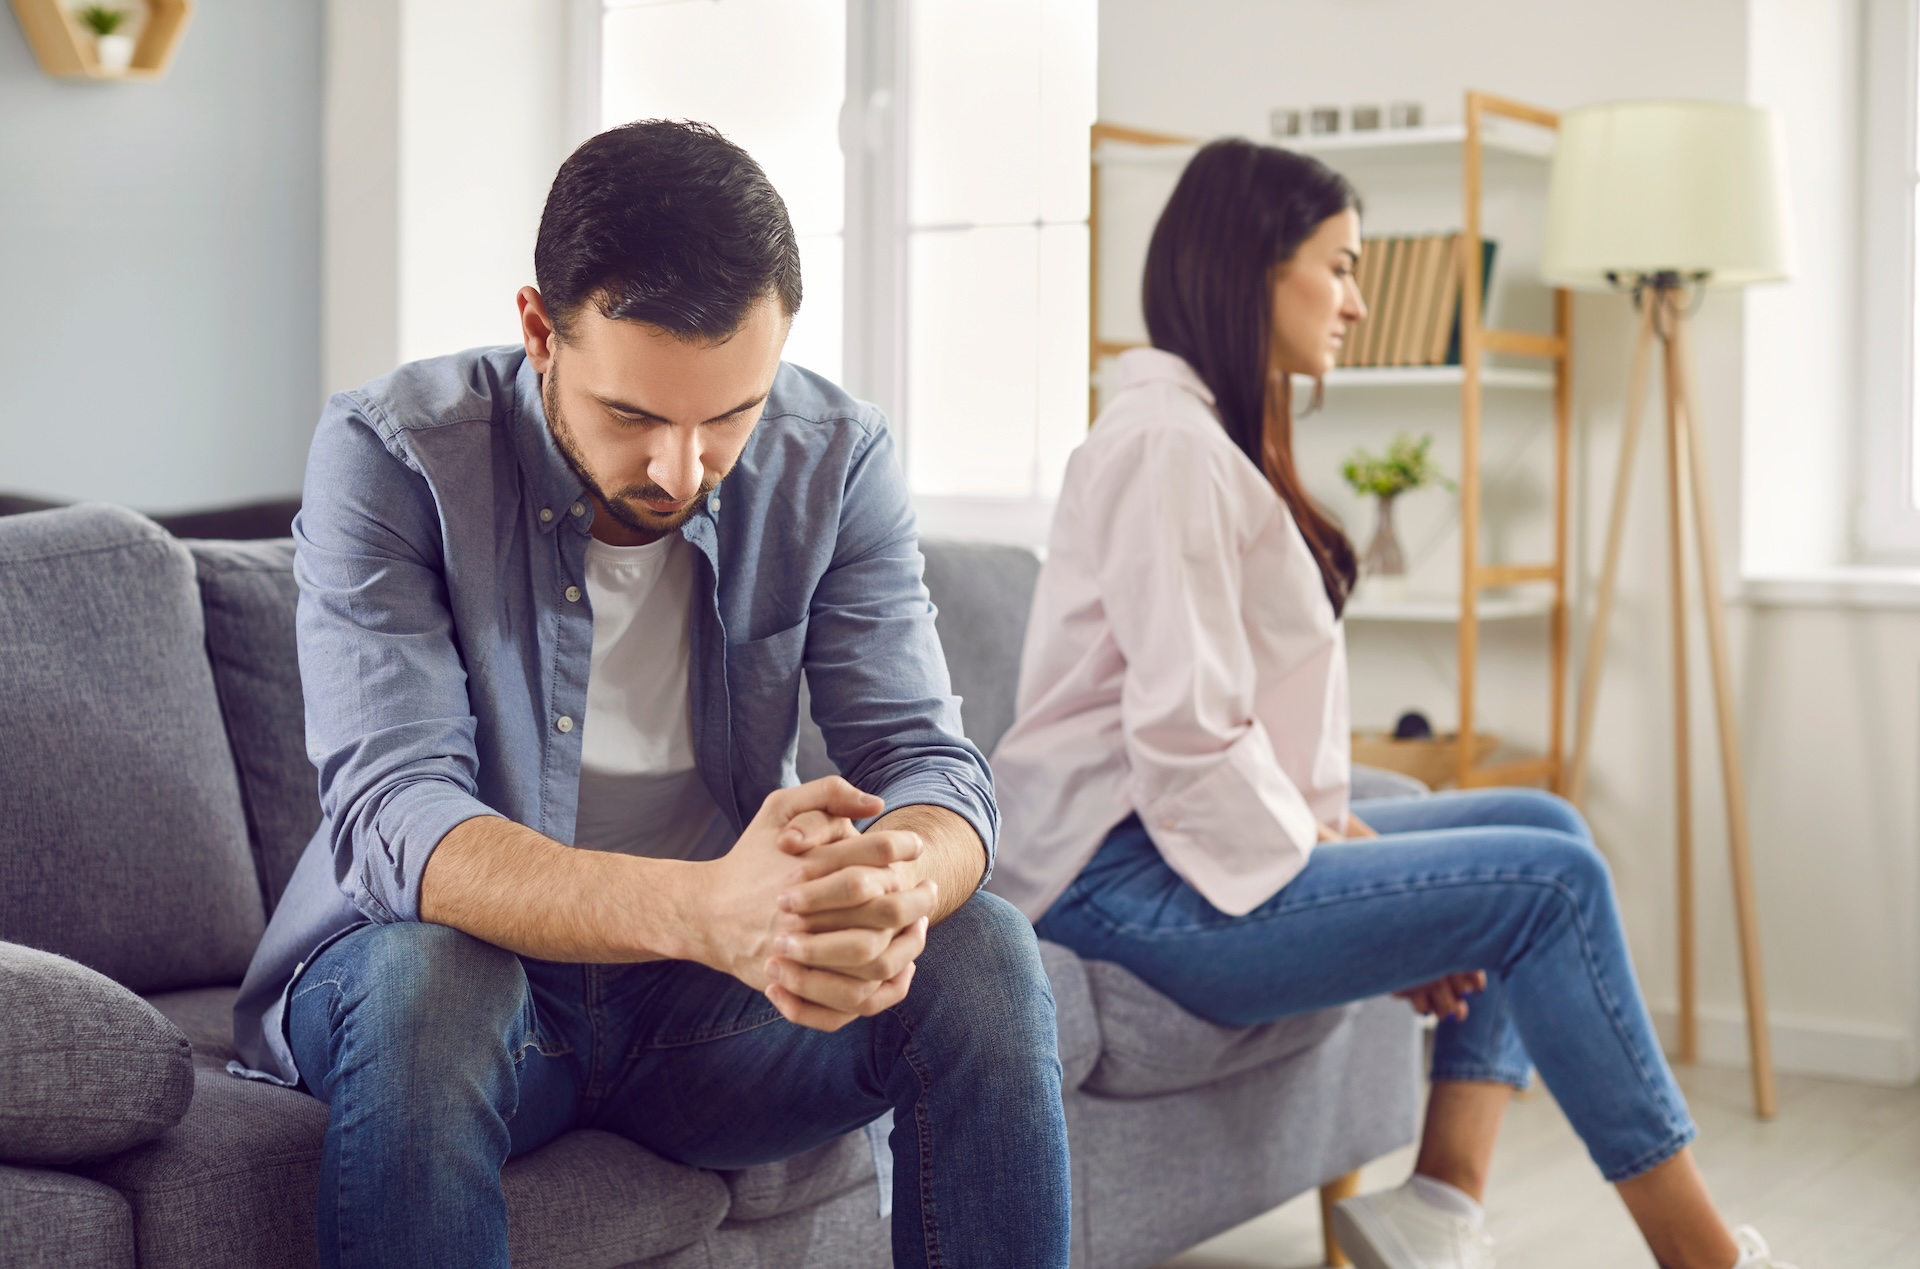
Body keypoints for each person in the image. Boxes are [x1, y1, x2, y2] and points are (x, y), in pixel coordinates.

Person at [229, 120, 1069, 1269]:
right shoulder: (395, 452)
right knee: (436, 977)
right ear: (540, 330)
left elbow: (931, 763)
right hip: (464, 995)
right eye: (634, 416)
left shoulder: (839, 457)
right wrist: (707, 910)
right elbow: (398, 812)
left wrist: (899, 881)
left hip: (702, 1014)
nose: (682, 471)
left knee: (982, 949)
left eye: (729, 416)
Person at [987, 138, 1791, 1269]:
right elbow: (1185, 738)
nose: (1360, 303)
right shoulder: (1163, 450)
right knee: (1544, 887)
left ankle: (1436, 1214)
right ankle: (1706, 1258)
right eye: (1342, 266)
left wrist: (1355, 861)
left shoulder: (1212, 438)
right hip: (1123, 884)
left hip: (1179, 850)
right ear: (1254, 267)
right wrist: (1352, 886)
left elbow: (1232, 732)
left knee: (1547, 828)